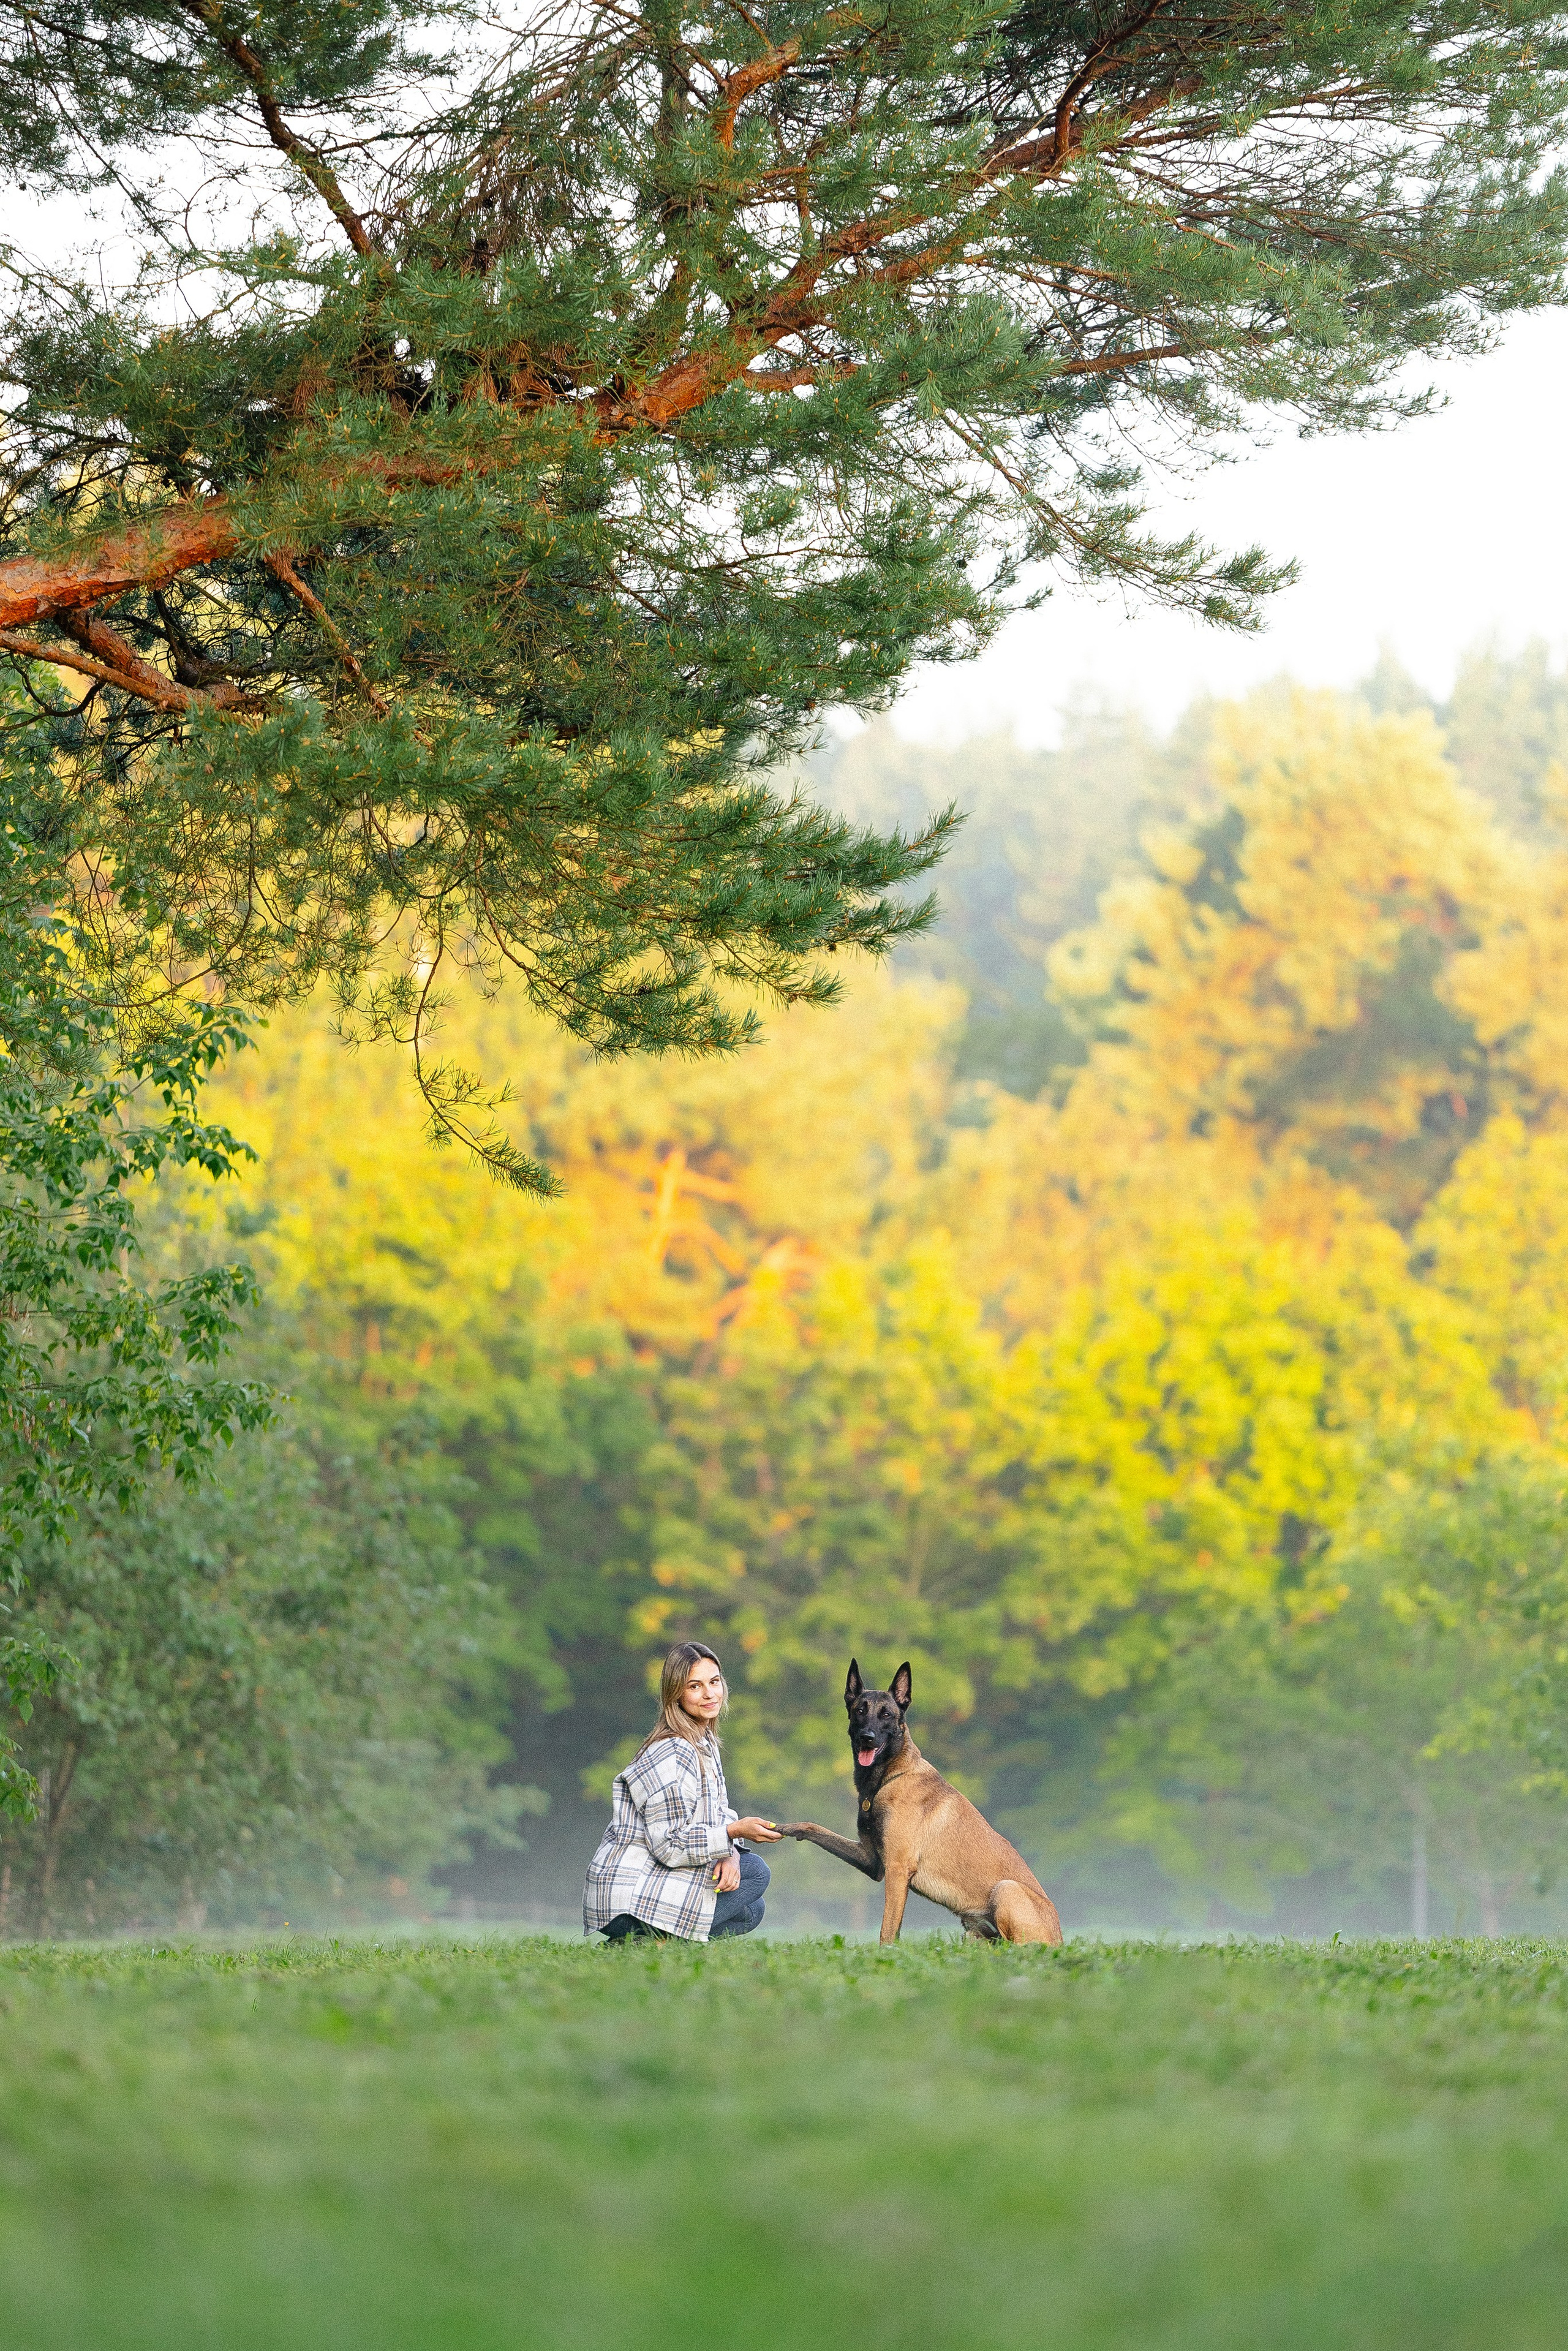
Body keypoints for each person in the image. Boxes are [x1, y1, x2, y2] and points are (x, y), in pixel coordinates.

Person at [584, 1641, 783, 1942]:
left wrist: (730, 1852)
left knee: (751, 1910)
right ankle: (655, 1940)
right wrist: (732, 1832)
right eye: (695, 1686)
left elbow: (720, 1811)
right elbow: (670, 1845)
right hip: (628, 1896)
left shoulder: (703, 1742)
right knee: (755, 1872)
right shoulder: (674, 1751)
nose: (709, 1694)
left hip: (658, 1881)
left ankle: (643, 1944)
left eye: (714, 1682)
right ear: (676, 1694)